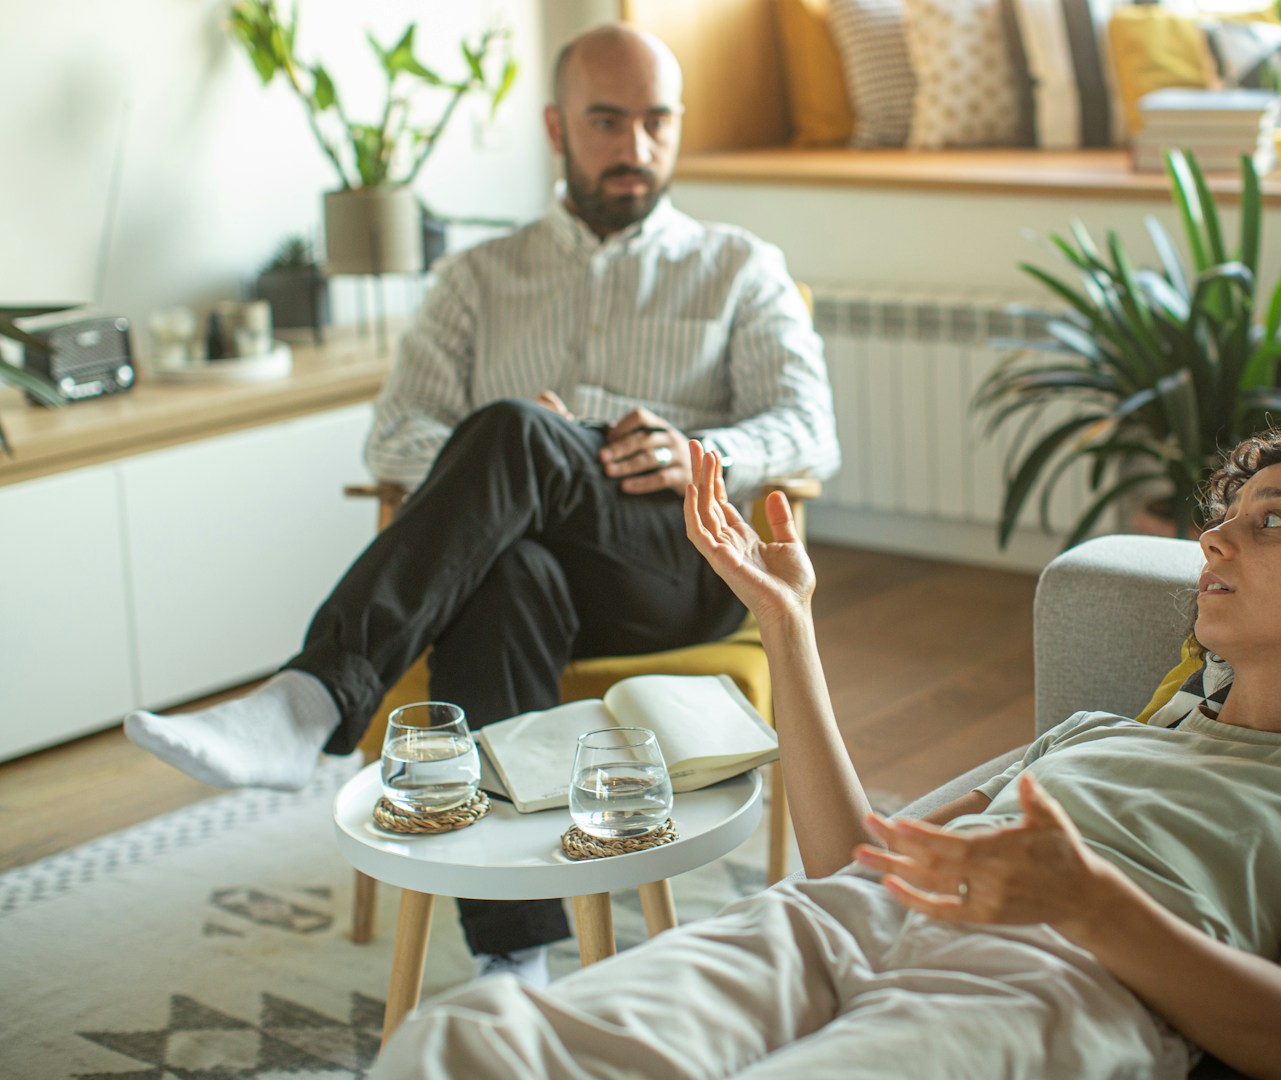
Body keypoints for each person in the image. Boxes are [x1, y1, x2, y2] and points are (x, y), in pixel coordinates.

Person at [369, 426, 1281, 1080]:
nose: (1215, 537)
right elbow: (856, 861)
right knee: (467, 1040)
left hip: (1048, 985)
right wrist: (787, 622)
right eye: (1228, 514)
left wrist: (1085, 899)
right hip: (836, 927)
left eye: (1273, 521)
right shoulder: (1099, 735)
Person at [121, 24, 838, 984]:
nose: (636, 146)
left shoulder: (740, 265)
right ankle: (518, 953)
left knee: (511, 434)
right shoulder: (475, 278)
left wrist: (698, 448)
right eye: (607, 121)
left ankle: (314, 697)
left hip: (681, 559)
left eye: (657, 121)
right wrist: (510, 457)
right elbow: (393, 437)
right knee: (508, 549)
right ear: (556, 128)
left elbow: (810, 430)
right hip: (528, 562)